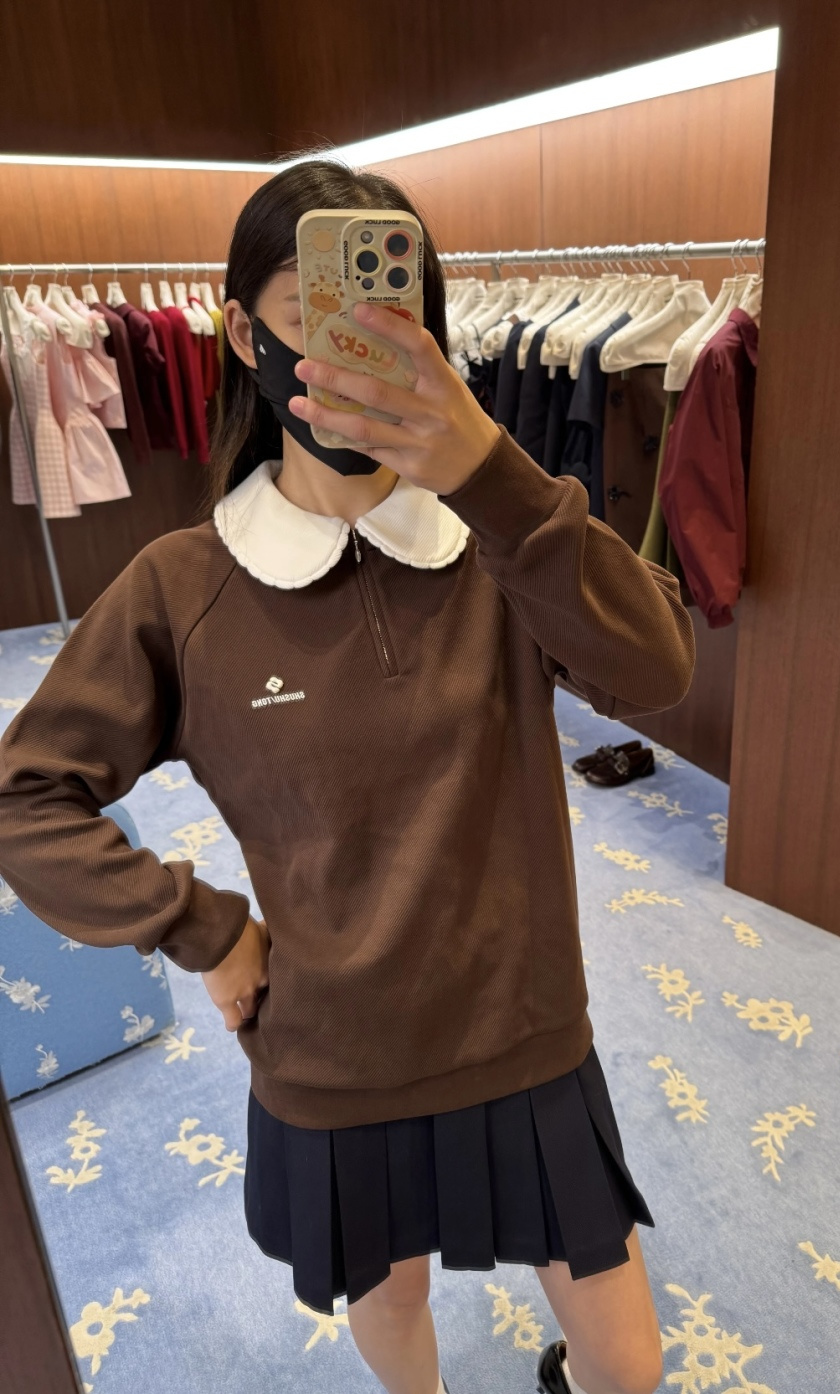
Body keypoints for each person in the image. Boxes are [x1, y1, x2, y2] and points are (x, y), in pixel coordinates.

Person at [0, 158, 695, 1394]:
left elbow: (657, 669)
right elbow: (24, 795)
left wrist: (489, 469)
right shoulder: (184, 585)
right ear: (243, 335)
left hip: (524, 1029)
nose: (361, 346)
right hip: (332, 1057)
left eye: (394, 314)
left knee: (628, 1366)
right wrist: (201, 927)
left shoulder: (502, 537)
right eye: (318, 316)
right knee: (393, 1297)